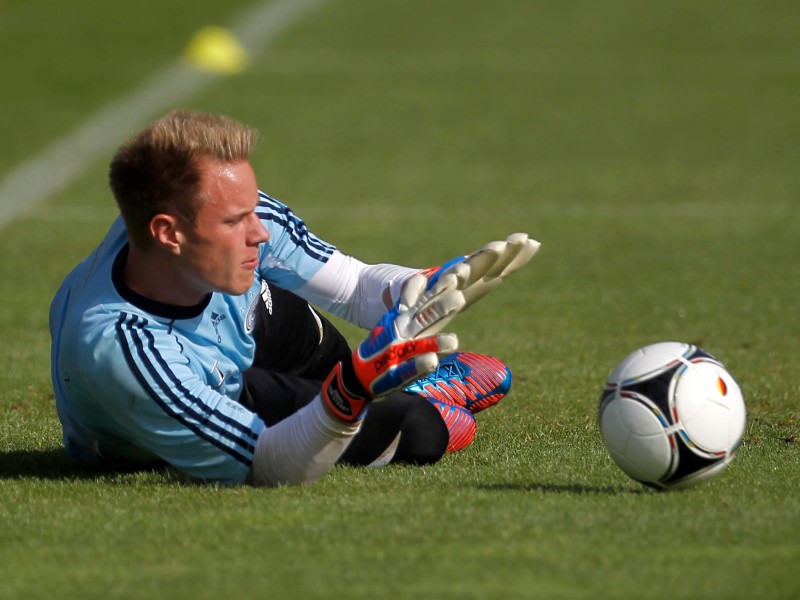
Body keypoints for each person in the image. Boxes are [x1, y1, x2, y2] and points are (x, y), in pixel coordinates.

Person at [49, 109, 539, 486]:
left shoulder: (200, 225)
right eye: (234, 222)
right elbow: (270, 463)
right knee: (421, 430)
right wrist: (353, 388)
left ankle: (368, 382)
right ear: (168, 234)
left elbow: (350, 284)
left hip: (228, 326)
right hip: (192, 401)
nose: (259, 232)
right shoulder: (125, 350)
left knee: (320, 347)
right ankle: (420, 396)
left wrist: (414, 288)